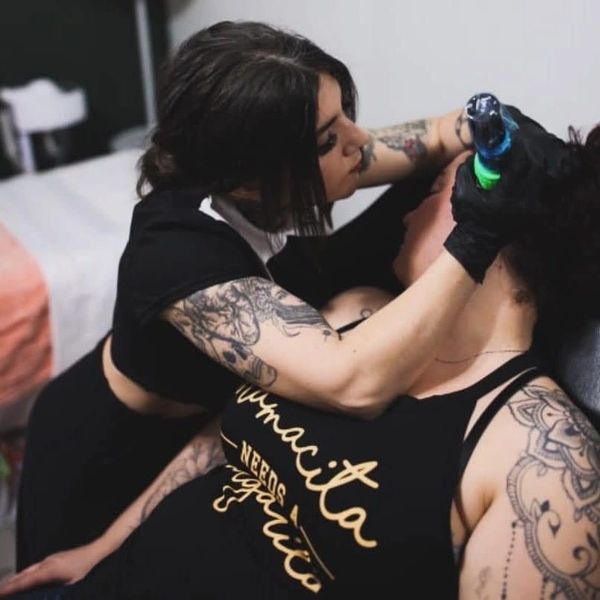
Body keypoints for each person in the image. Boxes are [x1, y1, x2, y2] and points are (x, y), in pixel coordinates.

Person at [13, 18, 566, 579]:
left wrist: (499, 128)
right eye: (327, 139)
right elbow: (353, 382)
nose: (359, 141)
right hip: (110, 452)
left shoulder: (285, 176)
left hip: (214, 422)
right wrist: (476, 236)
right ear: (249, 176)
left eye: (344, 115)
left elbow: (444, 134)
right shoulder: (176, 252)